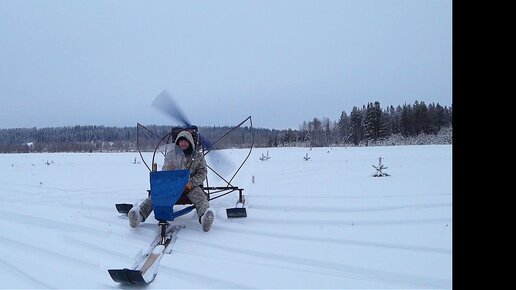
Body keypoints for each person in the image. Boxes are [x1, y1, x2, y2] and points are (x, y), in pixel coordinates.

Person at [128, 130, 214, 232]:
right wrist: (169, 170)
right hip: (173, 185)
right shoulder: (171, 155)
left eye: (185, 141)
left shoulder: (198, 156)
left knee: (200, 197)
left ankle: (205, 217)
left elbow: (202, 173)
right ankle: (138, 215)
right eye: (181, 141)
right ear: (177, 142)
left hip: (190, 186)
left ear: (190, 142)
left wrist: (191, 183)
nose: (183, 143)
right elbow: (165, 171)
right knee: (156, 196)